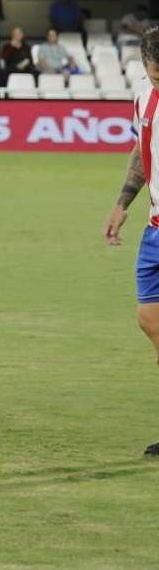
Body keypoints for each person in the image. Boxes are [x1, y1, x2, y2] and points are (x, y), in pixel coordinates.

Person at [101, 27, 159, 456]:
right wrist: (123, 202)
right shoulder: (143, 94)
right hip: (155, 228)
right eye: (157, 76)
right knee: (148, 318)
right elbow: (142, 149)